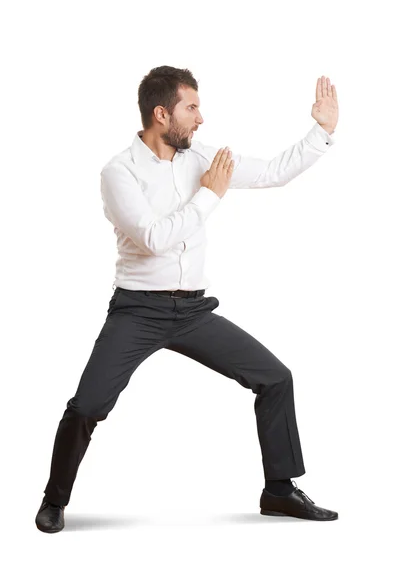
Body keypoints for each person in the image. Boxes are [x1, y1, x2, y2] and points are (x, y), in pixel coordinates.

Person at [35, 66, 339, 533]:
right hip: (138, 311)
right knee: (87, 406)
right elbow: (155, 238)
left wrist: (322, 131)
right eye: (191, 107)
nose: (201, 118)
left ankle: (279, 491)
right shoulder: (119, 173)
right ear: (161, 113)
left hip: (193, 311)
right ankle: (54, 500)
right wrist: (209, 196)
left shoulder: (202, 157)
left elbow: (275, 172)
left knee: (276, 378)